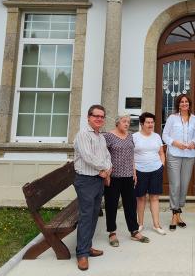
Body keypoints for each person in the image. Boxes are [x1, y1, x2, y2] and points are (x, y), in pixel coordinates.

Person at [73, 104, 113, 272]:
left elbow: (107, 155)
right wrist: (103, 170)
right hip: (86, 180)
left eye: (102, 116)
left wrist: (108, 169)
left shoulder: (101, 137)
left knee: (94, 215)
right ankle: (82, 254)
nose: (99, 119)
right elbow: (88, 156)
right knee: (86, 216)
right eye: (96, 116)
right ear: (88, 117)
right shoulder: (83, 134)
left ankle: (87, 247)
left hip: (98, 180)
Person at [104, 113, 149, 247]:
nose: (127, 124)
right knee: (111, 205)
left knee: (130, 205)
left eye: (128, 122)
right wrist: (106, 173)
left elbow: (131, 156)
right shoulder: (108, 136)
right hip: (113, 177)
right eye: (124, 121)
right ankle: (112, 232)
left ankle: (134, 231)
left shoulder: (130, 136)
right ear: (117, 123)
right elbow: (103, 155)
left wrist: (134, 172)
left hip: (128, 176)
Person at [162, 93, 195, 231]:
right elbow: (164, 135)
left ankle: (178, 211)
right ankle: (175, 215)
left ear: (189, 104)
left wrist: (193, 143)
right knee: (175, 185)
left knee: (184, 186)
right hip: (174, 154)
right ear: (178, 104)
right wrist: (175, 143)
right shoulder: (172, 118)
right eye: (182, 102)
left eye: (186, 102)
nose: (184, 104)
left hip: (189, 155)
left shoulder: (194, 119)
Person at [134, 111, 166, 235]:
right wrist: (133, 171)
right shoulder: (135, 137)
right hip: (140, 171)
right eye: (148, 122)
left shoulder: (157, 136)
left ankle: (156, 225)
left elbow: (161, 152)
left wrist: (161, 166)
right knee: (141, 198)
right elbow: (131, 155)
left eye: (152, 122)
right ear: (142, 124)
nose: (150, 124)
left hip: (156, 170)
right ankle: (140, 224)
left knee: (154, 197)